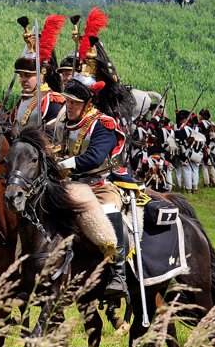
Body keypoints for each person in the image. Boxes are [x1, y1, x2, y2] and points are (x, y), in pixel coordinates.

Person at [54, 35, 130, 297]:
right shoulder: (63, 121)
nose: (69, 106)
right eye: (67, 101)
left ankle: (118, 272)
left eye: (74, 103)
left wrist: (64, 164)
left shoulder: (103, 124)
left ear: (88, 103)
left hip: (98, 185)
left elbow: (94, 158)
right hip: (67, 184)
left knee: (109, 211)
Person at [10, 18, 64, 132]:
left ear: (42, 73)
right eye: (21, 76)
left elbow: (52, 136)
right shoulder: (23, 99)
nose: (23, 80)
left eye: (27, 75)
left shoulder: (52, 101)